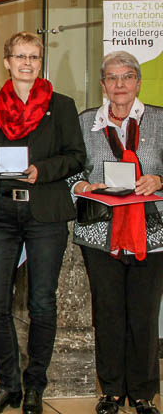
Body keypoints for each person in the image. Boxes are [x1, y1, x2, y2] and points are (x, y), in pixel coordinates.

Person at [0, 32, 85, 414]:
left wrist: (44, 169)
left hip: (46, 215)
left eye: (34, 57)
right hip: (4, 217)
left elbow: (76, 157)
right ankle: (9, 384)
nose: (26, 62)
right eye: (19, 56)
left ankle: (35, 384)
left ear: (41, 62)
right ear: (6, 62)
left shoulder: (62, 105)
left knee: (42, 303)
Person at [69, 51, 163, 414]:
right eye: (112, 77)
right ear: (103, 84)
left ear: (137, 82)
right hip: (100, 232)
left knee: (142, 315)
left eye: (126, 77)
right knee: (107, 314)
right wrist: (81, 187)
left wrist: (158, 179)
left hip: (151, 233)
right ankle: (110, 391)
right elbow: (71, 170)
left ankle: (142, 394)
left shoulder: (158, 119)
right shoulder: (85, 122)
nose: (119, 84)